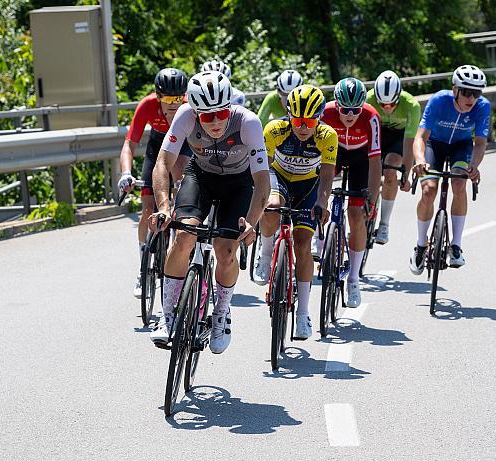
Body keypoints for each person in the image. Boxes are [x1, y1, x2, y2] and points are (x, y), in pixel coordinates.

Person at [146, 71, 270, 354]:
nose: (215, 122)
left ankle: (221, 314)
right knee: (183, 237)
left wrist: (251, 223)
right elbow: (163, 164)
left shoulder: (248, 122)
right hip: (200, 177)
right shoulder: (186, 115)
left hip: (238, 184)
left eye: (221, 113)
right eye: (207, 116)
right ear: (196, 111)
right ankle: (167, 317)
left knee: (226, 252)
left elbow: (262, 181)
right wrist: (165, 206)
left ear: (231, 106)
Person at [253, 85, 337, 339]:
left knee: (303, 243)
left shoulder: (327, 136)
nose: (303, 127)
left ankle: (302, 314)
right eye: (298, 120)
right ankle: (266, 253)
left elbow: (326, 176)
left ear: (319, 118)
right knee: (273, 207)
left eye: (310, 121)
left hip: (308, 186)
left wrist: (322, 202)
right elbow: (262, 171)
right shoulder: (274, 130)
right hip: (277, 177)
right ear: (289, 114)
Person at [117, 68, 191, 297]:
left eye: (178, 98)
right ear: (158, 96)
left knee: (181, 186)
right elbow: (130, 144)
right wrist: (126, 173)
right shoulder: (147, 105)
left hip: (182, 147)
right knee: (148, 209)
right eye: (168, 98)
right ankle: (143, 268)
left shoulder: (189, 107)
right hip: (157, 147)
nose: (173, 104)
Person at [410, 65, 490, 274]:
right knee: (428, 190)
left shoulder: (483, 106)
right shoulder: (439, 100)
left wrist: (474, 165)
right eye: (466, 92)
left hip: (461, 147)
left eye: (477, 93)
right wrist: (419, 159)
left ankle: (455, 245)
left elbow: (480, 143)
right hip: (434, 144)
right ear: (455, 90)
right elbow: (420, 137)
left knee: (458, 183)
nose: (471, 98)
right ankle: (420, 245)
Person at [321, 77, 382, 307]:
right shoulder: (325, 114)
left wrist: (372, 200)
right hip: (332, 154)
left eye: (355, 110)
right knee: (319, 194)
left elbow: (375, 162)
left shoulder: (371, 116)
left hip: (360, 159)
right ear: (336, 104)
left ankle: (354, 278)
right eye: (344, 109)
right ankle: (320, 241)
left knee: (356, 216)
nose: (349, 114)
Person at [366, 70, 421, 244]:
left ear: (399, 97)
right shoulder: (368, 100)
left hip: (399, 137)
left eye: (392, 104)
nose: (387, 108)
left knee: (391, 171)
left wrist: (405, 172)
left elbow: (409, 141)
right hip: (377, 133)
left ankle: (383, 224)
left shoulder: (411, 105)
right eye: (382, 104)